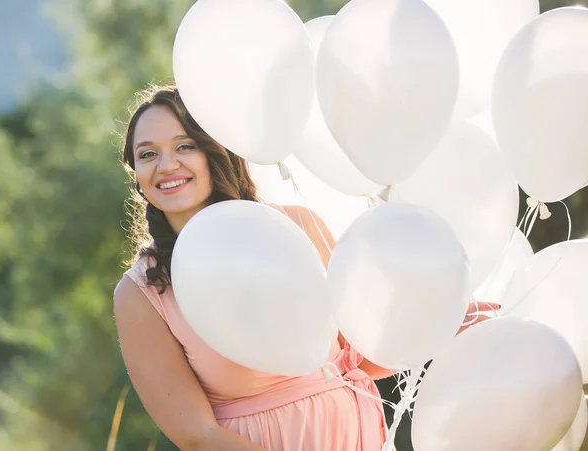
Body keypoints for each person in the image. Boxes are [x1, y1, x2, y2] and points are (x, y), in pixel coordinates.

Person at [113, 84, 499, 451]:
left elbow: (356, 358)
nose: (166, 165)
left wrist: (440, 325)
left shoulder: (297, 227)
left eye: (185, 146)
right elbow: (197, 434)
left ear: (216, 151)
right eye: (147, 154)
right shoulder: (144, 293)